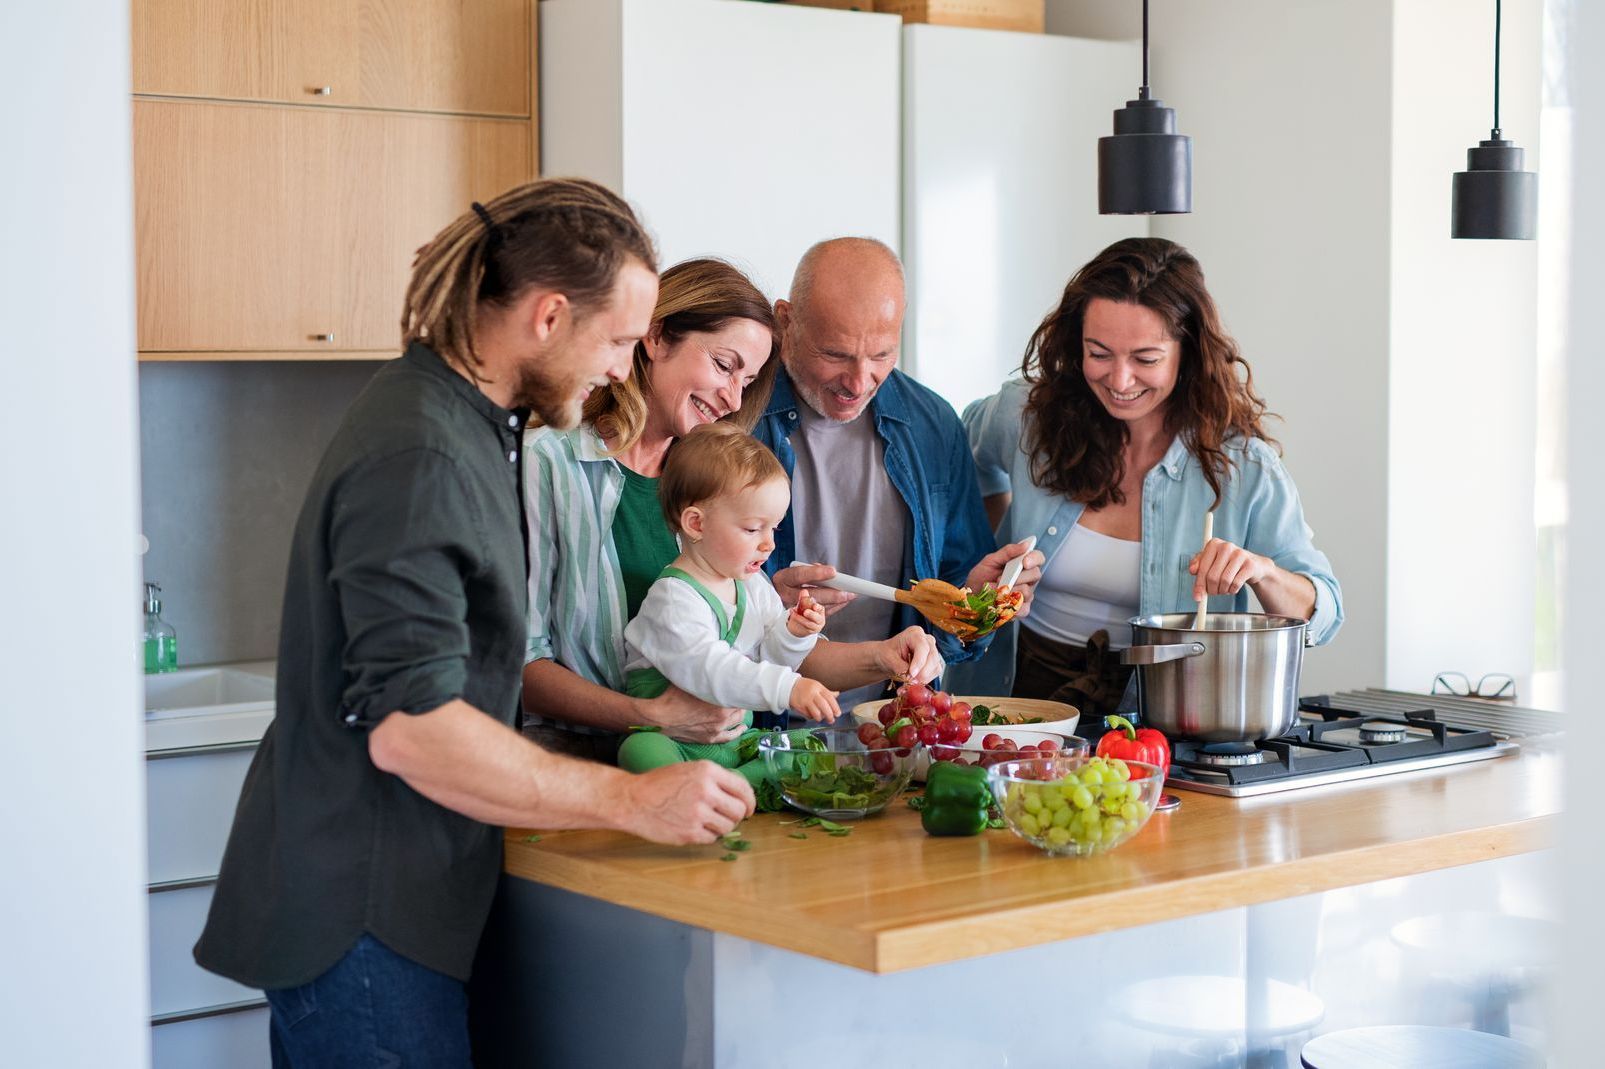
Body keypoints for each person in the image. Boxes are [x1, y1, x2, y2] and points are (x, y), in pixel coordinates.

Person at [194, 179, 757, 1068]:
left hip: (397, 898)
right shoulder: (424, 450)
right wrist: (634, 796)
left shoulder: (463, 420)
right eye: (615, 340)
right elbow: (414, 730)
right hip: (366, 911)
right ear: (546, 316)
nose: (621, 367)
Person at [947, 237, 1343, 720]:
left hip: (1160, 716)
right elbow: (959, 459)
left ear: (1189, 353)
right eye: (1099, 353)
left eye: (1145, 359)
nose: (1119, 379)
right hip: (1008, 697)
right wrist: (980, 554)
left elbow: (1324, 611)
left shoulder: (1244, 469)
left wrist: (1261, 572)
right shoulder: (1024, 416)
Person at [756, 237, 1045, 715]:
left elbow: (956, 604)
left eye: (882, 355)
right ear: (785, 320)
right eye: (835, 354)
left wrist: (972, 604)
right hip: (764, 724)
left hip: (895, 723)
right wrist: (762, 603)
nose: (858, 381)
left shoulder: (932, 423)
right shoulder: (736, 414)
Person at [519, 257, 780, 762]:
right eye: (724, 365)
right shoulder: (547, 463)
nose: (732, 398)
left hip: (691, 761)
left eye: (746, 381)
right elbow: (519, 665)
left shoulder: (711, 486)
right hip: (566, 765)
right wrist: (650, 716)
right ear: (656, 338)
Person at [617, 422, 941, 787]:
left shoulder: (751, 584)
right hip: (675, 743)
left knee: (810, 747)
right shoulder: (674, 597)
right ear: (696, 524)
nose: (768, 544)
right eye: (753, 529)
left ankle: (733, 786)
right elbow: (712, 670)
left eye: (775, 528)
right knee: (639, 750)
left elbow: (772, 658)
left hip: (734, 741)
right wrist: (788, 689)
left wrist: (792, 634)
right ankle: (719, 788)